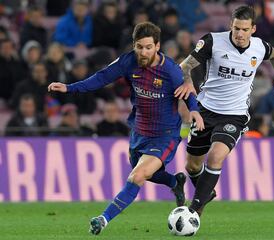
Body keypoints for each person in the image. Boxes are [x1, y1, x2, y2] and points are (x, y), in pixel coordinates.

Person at [48, 22, 204, 235]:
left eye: (148, 47)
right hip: (139, 132)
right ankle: (173, 181)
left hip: (165, 135)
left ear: (157, 46)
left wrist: (194, 110)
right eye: (139, 46)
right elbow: (102, 77)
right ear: (134, 45)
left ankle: (102, 219)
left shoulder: (170, 71)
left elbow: (186, 92)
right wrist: (69, 88)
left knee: (137, 175)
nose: (143, 52)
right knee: (148, 174)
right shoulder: (128, 61)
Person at [174, 6, 274, 216]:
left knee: (216, 156)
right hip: (205, 110)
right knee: (192, 166)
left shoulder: (260, 47)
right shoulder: (213, 41)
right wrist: (188, 82)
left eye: (244, 29)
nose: (239, 34)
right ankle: (205, 192)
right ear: (230, 25)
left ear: (253, 29)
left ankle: (194, 211)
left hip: (234, 115)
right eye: (236, 28)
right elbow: (183, 67)